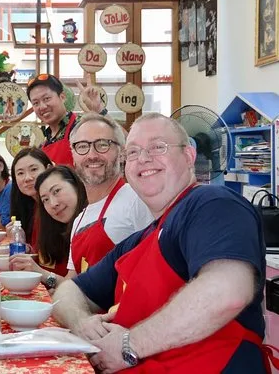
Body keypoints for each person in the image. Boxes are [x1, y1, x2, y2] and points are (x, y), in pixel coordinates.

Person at [52, 113, 269, 373]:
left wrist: (129, 345)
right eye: (133, 152)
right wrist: (84, 324)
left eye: (157, 147)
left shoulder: (213, 203)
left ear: (189, 156)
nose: (143, 158)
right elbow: (68, 291)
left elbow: (228, 291)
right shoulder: (140, 240)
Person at [67, 113, 153, 275]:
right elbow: (74, 279)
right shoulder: (79, 220)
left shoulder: (137, 200)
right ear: (73, 156)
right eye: (82, 146)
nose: (92, 155)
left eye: (102, 145)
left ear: (121, 154)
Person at [11, 165, 87, 286]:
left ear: (76, 186)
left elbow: (73, 286)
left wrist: (40, 273)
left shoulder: (89, 226)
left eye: (56, 191)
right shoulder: (53, 228)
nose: (53, 204)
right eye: (45, 199)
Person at [26, 73, 105, 166]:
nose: (42, 106)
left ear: (62, 97)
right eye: (36, 103)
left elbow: (116, 142)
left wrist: (99, 110)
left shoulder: (81, 125)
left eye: (46, 98)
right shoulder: (43, 142)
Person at [9, 147, 53, 250]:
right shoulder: (29, 206)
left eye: (33, 169)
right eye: (20, 173)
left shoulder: (56, 205)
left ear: (49, 168)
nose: (27, 178)